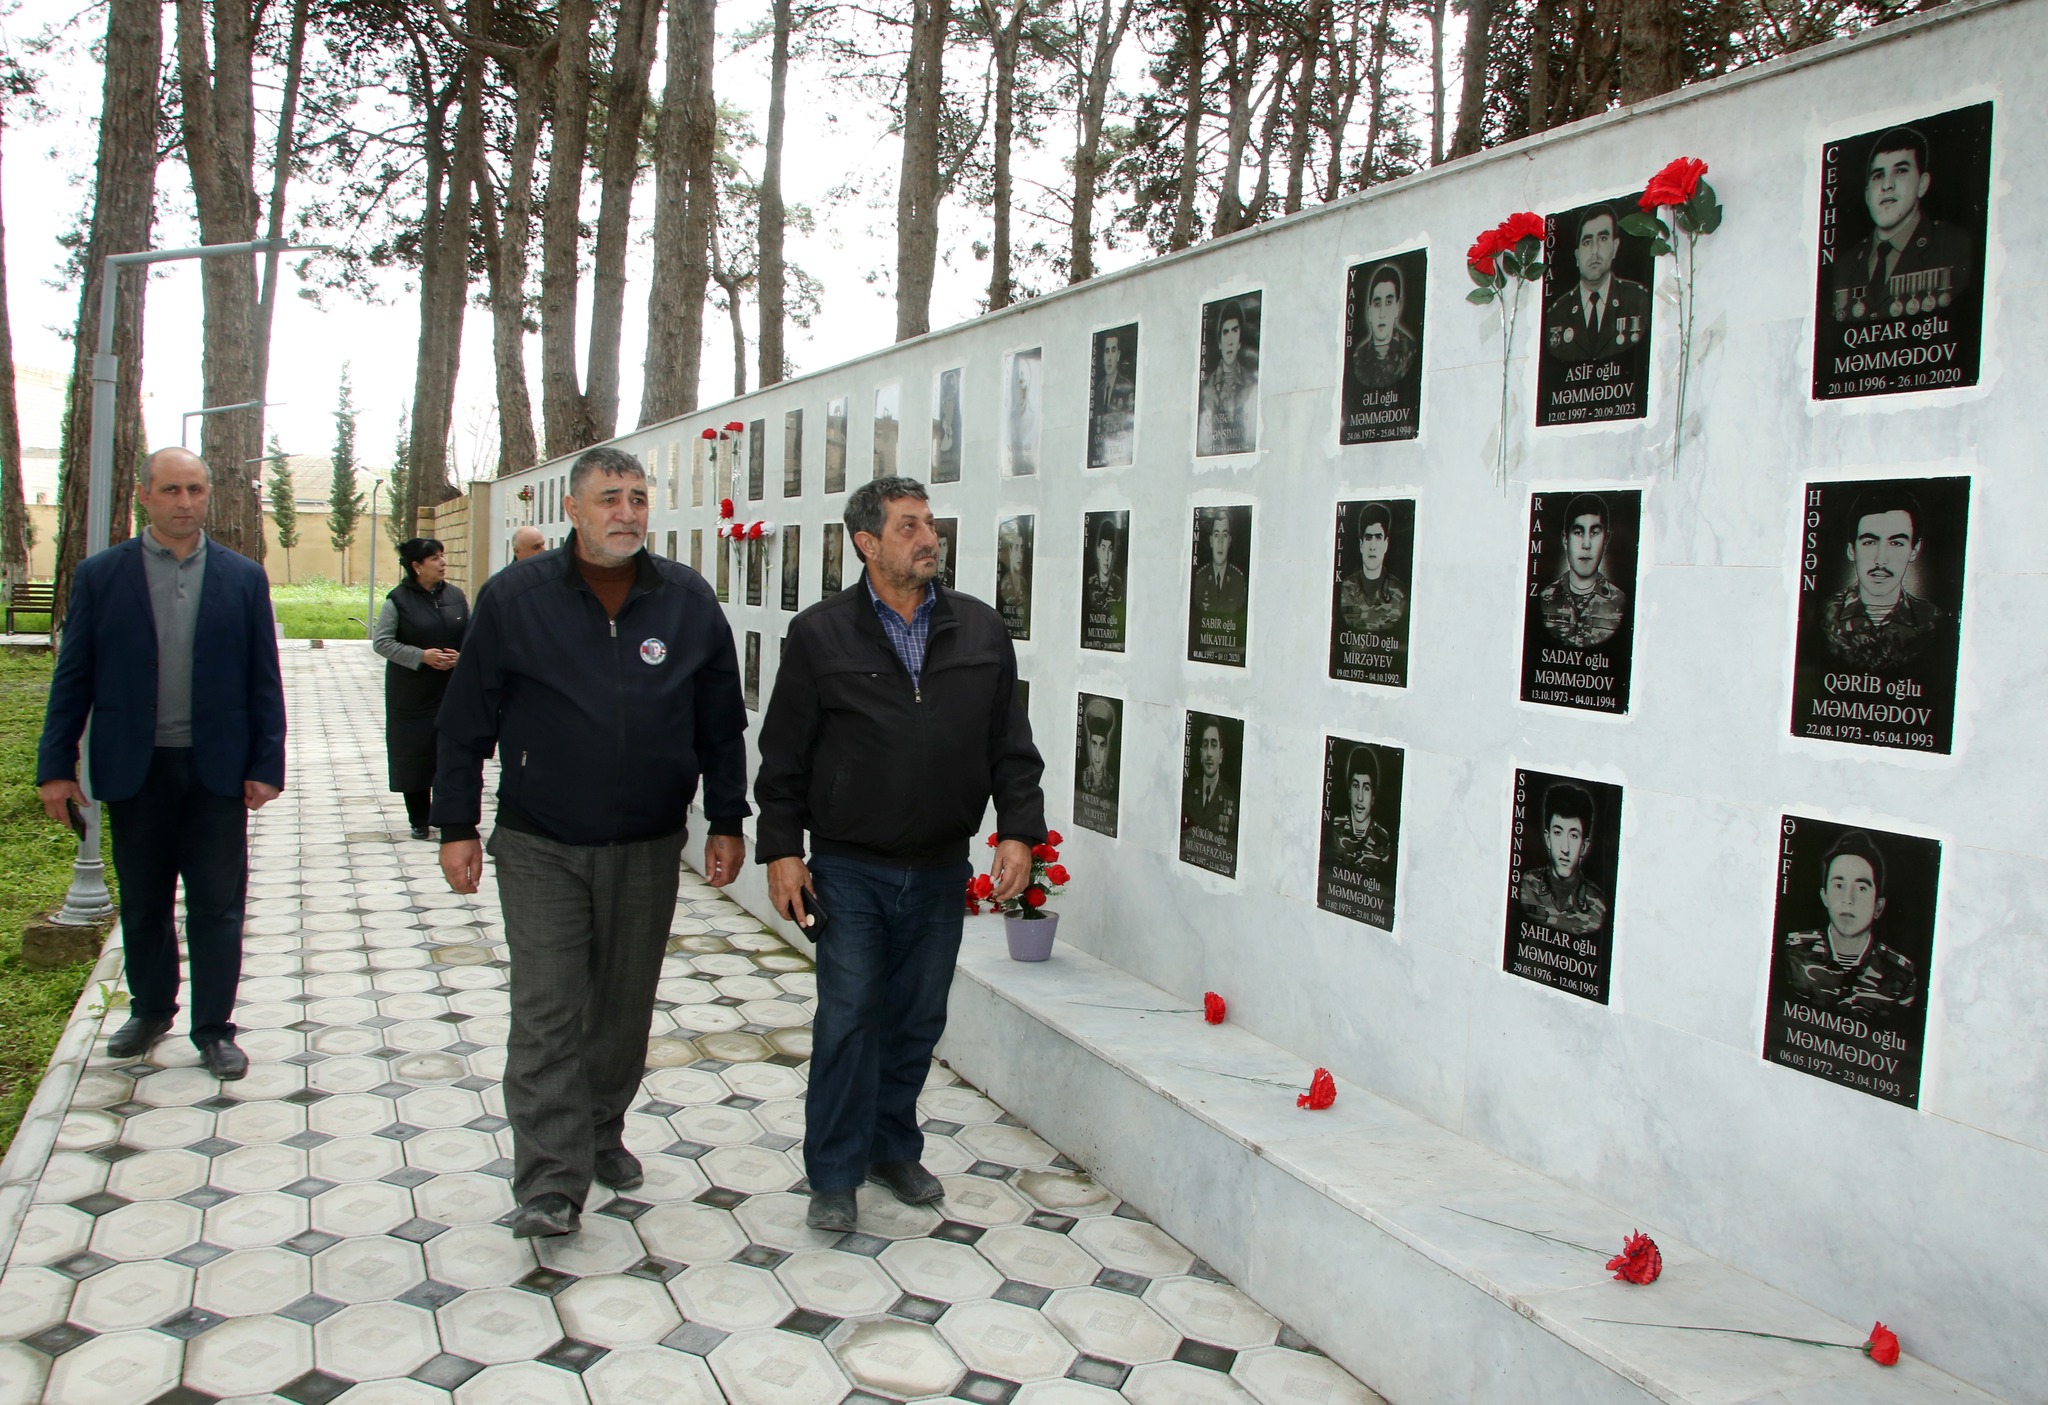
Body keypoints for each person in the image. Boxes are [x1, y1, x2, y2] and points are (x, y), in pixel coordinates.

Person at [433, 446, 751, 1239]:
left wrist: (727, 818)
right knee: (547, 1008)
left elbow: (720, 723)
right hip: (540, 840)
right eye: (610, 497)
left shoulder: (685, 600)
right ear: (572, 510)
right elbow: (465, 718)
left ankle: (600, 1126)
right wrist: (456, 824)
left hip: (647, 843)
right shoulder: (515, 598)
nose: (627, 511)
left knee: (621, 1008)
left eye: (638, 497)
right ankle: (549, 1179)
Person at [754, 476, 1046, 1233]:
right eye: (908, 525)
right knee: (850, 1018)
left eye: (929, 524)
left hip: (942, 865)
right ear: (867, 542)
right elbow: (784, 756)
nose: (927, 538)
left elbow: (1010, 746)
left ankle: (892, 1148)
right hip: (851, 866)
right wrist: (782, 849)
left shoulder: (979, 629)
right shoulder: (821, 633)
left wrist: (1019, 831)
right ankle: (834, 1173)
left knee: (917, 1018)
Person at [37, 447, 285, 1080]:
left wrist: (266, 763)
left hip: (216, 771)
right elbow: (73, 677)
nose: (185, 502)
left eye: (195, 489)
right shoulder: (102, 576)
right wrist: (56, 767)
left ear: (208, 495)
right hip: (135, 769)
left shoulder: (242, 577)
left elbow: (263, 678)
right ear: (144, 495)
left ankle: (214, 1029)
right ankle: (150, 1010)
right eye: (171, 489)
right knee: (145, 902)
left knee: (217, 905)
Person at [373, 538, 469, 841]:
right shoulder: (397, 601)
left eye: (442, 556)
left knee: (451, 754)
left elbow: (472, 636)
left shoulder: (456, 596)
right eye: (435, 558)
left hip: (450, 690)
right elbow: (382, 642)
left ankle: (448, 814)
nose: (443, 562)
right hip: (411, 692)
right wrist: (421, 656)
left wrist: (462, 657)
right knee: (414, 754)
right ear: (416, 566)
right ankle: (419, 818)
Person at [1829, 127, 1974, 322]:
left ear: (1922, 184)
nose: (1887, 185)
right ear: (1867, 194)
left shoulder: (1955, 247)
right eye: (1878, 175)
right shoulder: (1843, 267)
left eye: (1900, 171)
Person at [1780, 830, 1918, 1021]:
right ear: (1824, 896)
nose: (1848, 899)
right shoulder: (1791, 954)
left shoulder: (1901, 977)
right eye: (1839, 885)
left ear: (1878, 906)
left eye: (1861, 888)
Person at [1821, 486, 1948, 670]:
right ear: (1852, 550)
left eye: (1896, 543)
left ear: (1914, 550)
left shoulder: (1933, 622)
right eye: (1869, 542)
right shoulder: (1823, 617)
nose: (1881, 559)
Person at [1543, 206, 1650, 365]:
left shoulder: (1636, 300)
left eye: (1603, 239)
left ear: (1615, 247)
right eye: (1587, 242)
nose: (1595, 250)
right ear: (1577, 256)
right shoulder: (1557, 314)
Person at [1537, 493, 1627, 648]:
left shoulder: (1620, 603)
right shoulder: (1543, 600)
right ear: (1565, 539)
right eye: (1578, 532)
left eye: (1594, 533)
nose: (1586, 544)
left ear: (1606, 540)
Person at [1518, 783, 1606, 935]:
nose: (1565, 848)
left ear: (1584, 846)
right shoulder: (1526, 886)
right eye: (1558, 833)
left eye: (1574, 836)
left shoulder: (1599, 906)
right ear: (1548, 839)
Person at [1337, 502, 1408, 634]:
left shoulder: (1399, 594)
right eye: (1368, 538)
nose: (1372, 546)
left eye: (1378, 538)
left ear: (1386, 544)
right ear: (1361, 545)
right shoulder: (1345, 590)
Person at [1197, 299, 1257, 454]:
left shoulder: (1251, 387)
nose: (1230, 340)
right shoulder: (1206, 388)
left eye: (1235, 331)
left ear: (1240, 342)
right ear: (1219, 342)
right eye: (1225, 332)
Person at [1351, 263, 1419, 391]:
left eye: (1388, 302)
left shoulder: (1410, 352)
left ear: (1397, 307)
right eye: (1377, 304)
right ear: (1369, 312)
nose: (1382, 314)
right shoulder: (1358, 358)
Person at [1331, 746, 1392, 869]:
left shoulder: (1383, 840)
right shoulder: (1335, 829)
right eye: (1355, 786)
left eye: (1366, 788)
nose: (1360, 797)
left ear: (1373, 797)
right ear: (1349, 792)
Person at [1189, 509, 1248, 635]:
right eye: (1216, 535)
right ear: (1211, 541)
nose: (1220, 542)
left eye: (1225, 535)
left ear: (1230, 541)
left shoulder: (1238, 580)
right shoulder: (1199, 579)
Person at [1184, 721, 1235, 842]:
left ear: (1220, 756)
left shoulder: (1229, 797)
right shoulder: (1189, 791)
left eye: (1213, 745)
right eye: (1205, 745)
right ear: (1201, 755)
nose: (1209, 754)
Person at [1091, 330, 1135, 464]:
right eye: (1107, 351)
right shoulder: (1098, 391)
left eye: (1113, 351)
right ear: (1103, 356)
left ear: (1118, 355)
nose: (1109, 357)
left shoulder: (1128, 388)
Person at [1084, 516, 1124, 620]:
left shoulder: (1118, 585)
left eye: (1110, 550)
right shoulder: (1089, 583)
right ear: (1098, 552)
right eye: (1103, 548)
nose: (1106, 556)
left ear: (1113, 554)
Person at [1079, 697, 1117, 801]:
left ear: (1106, 749)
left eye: (1102, 746)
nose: (1097, 756)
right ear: (1089, 747)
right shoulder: (1082, 777)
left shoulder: (1110, 782)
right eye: (1094, 745)